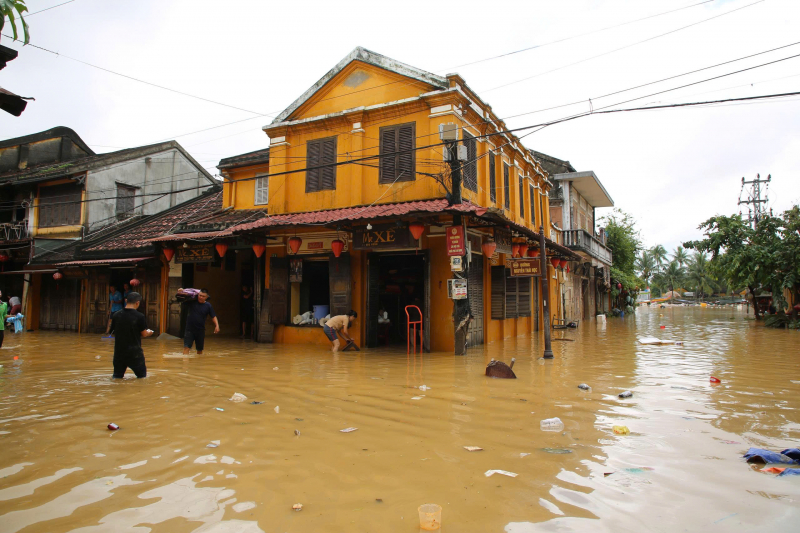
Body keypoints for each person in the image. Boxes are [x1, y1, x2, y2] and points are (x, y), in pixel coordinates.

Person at [110, 291, 153, 378]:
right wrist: (150, 332)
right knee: (142, 378)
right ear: (137, 303)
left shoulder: (116, 315)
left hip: (119, 353)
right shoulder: (139, 316)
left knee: (117, 377)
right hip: (135, 353)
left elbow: (113, 333)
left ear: (126, 300)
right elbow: (144, 334)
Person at [183, 288, 219, 355]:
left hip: (200, 330)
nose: (201, 297)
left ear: (207, 297)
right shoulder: (192, 302)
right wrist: (181, 291)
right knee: (186, 347)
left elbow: (213, 316)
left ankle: (198, 364)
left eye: (203, 296)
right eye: (200, 295)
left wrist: (217, 325)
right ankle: (185, 365)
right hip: (189, 330)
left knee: (199, 350)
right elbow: (181, 298)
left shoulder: (208, 305)